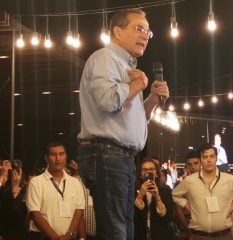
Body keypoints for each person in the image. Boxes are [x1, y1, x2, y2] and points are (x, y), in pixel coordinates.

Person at [77, 8, 169, 240]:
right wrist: (140, 83)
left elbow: (133, 119)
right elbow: (108, 101)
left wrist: (152, 100)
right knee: (116, 232)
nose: (145, 36)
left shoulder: (127, 68)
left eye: (148, 32)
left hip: (122, 157)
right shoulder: (104, 59)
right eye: (139, 29)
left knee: (125, 231)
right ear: (117, 31)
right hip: (106, 153)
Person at [173, 143, 233, 240]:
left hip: (223, 236)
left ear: (216, 158)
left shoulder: (229, 179)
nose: (209, 160)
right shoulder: (190, 180)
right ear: (200, 160)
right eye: (205, 157)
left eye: (212, 156)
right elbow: (175, 194)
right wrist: (186, 204)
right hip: (198, 236)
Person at [26, 142, 84, 240]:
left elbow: (78, 212)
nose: (58, 158)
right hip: (42, 237)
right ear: (46, 158)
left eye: (61, 154)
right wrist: (55, 238)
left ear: (66, 156)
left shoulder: (75, 183)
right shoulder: (36, 182)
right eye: (53, 154)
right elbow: (35, 214)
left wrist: (68, 235)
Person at [134, 157, 174, 240]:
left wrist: (157, 197)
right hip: (139, 235)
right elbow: (132, 217)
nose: (148, 172)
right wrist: (140, 195)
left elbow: (168, 218)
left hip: (161, 235)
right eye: (144, 170)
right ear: (140, 174)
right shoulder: (133, 191)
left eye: (152, 169)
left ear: (156, 172)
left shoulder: (166, 191)